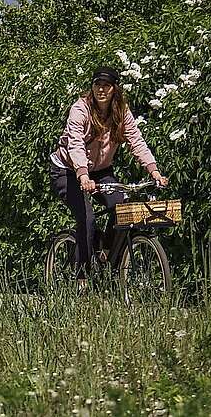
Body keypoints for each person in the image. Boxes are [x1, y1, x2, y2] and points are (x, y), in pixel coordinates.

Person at [49, 67, 169, 286]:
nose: (101, 89)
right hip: (67, 170)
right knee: (87, 218)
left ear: (115, 89)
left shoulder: (121, 112)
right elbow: (74, 142)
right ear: (92, 87)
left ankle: (107, 254)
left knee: (120, 205)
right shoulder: (80, 109)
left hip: (101, 171)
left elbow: (136, 141)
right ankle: (81, 276)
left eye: (106, 85)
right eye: (97, 85)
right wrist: (83, 175)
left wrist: (154, 171)